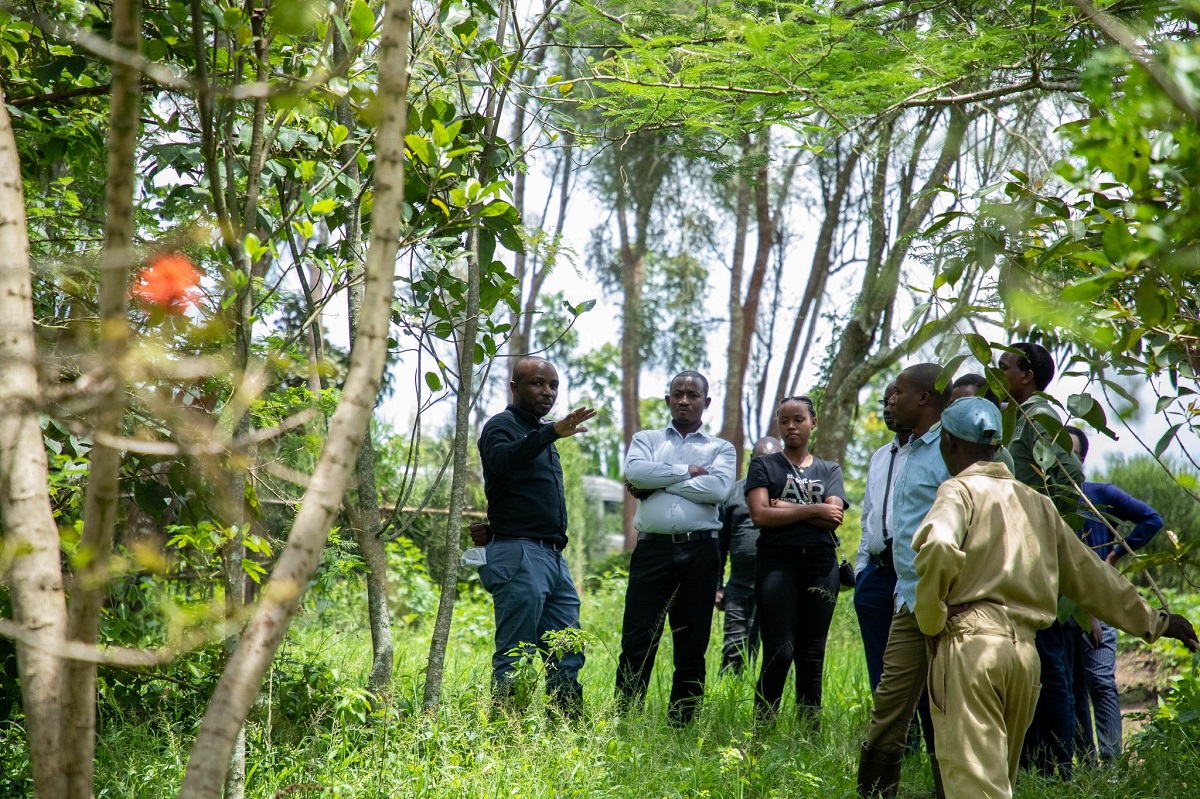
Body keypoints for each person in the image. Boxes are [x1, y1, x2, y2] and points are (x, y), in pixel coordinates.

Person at [911, 397, 1199, 799]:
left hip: (971, 649)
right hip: (1024, 657)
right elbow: (1091, 575)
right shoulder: (1037, 503)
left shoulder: (957, 491)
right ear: (998, 448)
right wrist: (1155, 620)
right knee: (998, 784)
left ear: (948, 443)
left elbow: (939, 545)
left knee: (975, 788)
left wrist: (932, 617)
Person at [475, 357, 597, 714]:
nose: (548, 392)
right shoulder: (502, 426)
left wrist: (548, 434)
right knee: (516, 651)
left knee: (567, 649)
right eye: (538, 384)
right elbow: (502, 461)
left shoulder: (544, 434)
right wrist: (550, 433)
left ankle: (565, 730)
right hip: (519, 554)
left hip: (554, 559)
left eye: (553, 385)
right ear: (514, 387)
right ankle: (506, 736)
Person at [616, 371, 736, 725]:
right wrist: (688, 471)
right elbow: (636, 473)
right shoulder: (646, 439)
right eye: (678, 393)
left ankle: (682, 723)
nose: (685, 400)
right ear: (668, 400)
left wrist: (661, 482)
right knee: (638, 638)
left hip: (701, 553)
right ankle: (627, 717)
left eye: (693, 394)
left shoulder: (721, 448)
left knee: (691, 642)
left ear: (706, 402)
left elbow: (718, 491)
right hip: (651, 552)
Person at [857, 363, 951, 799]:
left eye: (898, 394)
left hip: (955, 604)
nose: (890, 402)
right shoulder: (902, 452)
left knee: (948, 713)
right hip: (907, 599)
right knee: (888, 710)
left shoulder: (954, 450)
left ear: (924, 399)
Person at [998, 342, 1085, 780]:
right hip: (1013, 557)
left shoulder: (1036, 415)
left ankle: (1056, 766)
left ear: (1026, 376)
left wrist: (1041, 524)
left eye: (1005, 368)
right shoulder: (1013, 416)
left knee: (1048, 662)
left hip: (1036, 556)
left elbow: (1071, 478)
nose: (998, 377)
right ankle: (1031, 760)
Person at [746, 396, 849, 724]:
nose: (791, 426)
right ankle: (761, 730)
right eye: (785, 420)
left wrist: (785, 507)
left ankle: (809, 732)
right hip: (777, 563)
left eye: (799, 420)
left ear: (812, 423)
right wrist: (815, 508)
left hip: (821, 564)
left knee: (812, 652)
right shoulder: (764, 465)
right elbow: (760, 515)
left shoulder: (829, 469)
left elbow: (834, 517)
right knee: (780, 650)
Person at [1065, 426, 1165, 762]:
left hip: (1101, 604)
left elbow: (1151, 519)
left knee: (1099, 681)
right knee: (1074, 686)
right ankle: (1088, 764)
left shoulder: (1099, 495)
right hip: (1064, 609)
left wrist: (1116, 554)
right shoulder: (1048, 501)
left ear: (1081, 459)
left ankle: (1110, 763)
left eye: (1071, 453)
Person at [854, 382, 912, 693]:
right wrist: (863, 568)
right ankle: (893, 740)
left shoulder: (932, 453)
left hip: (910, 573)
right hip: (875, 574)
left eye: (895, 400)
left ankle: (925, 740)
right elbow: (869, 515)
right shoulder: (879, 456)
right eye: (884, 401)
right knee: (879, 669)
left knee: (912, 666)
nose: (888, 407)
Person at [717, 435, 782, 674]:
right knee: (734, 653)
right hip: (740, 588)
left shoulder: (789, 493)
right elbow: (720, 544)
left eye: (772, 460)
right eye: (759, 460)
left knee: (778, 653)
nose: (765, 466)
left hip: (780, 587)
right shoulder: (733, 493)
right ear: (751, 461)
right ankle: (728, 705)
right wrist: (717, 586)